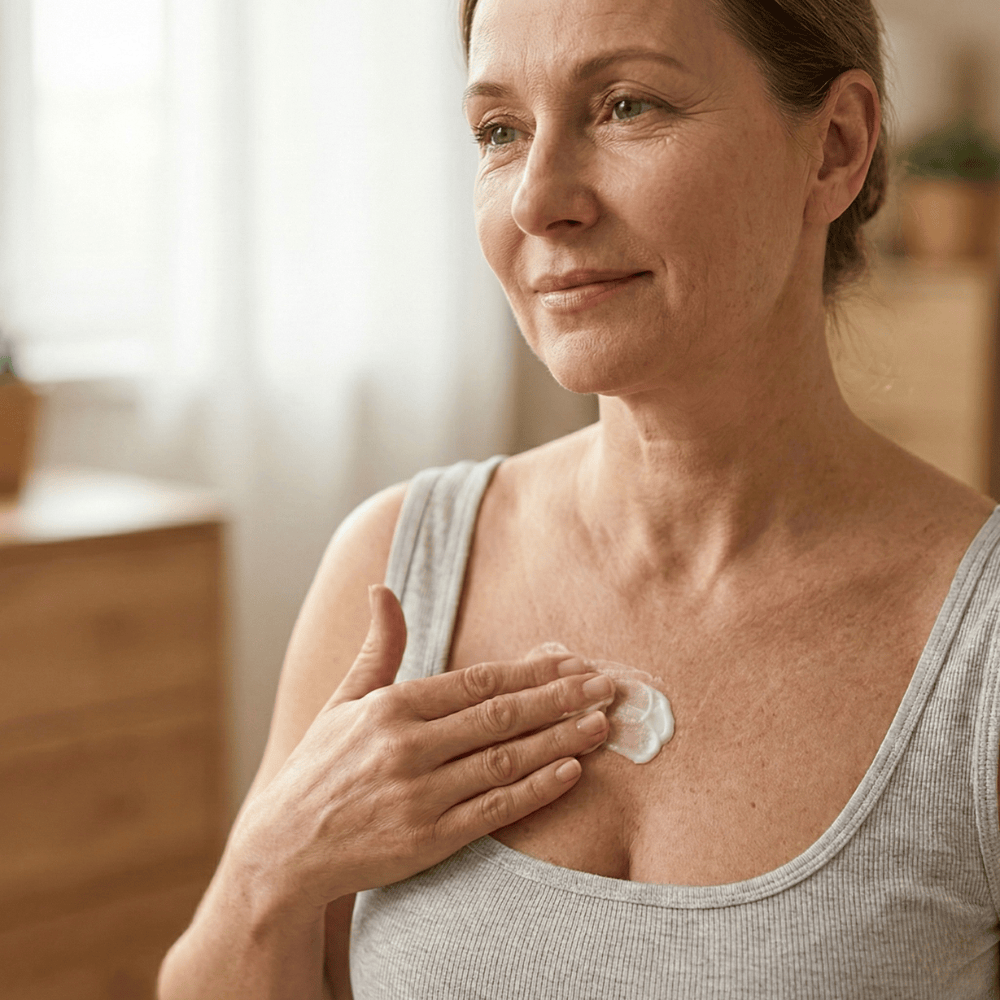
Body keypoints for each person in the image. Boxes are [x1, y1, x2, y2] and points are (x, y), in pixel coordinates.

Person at [158, 0, 1000, 995]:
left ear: (835, 148)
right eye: (499, 131)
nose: (536, 199)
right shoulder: (393, 568)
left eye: (626, 106)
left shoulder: (978, 647)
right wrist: (270, 869)